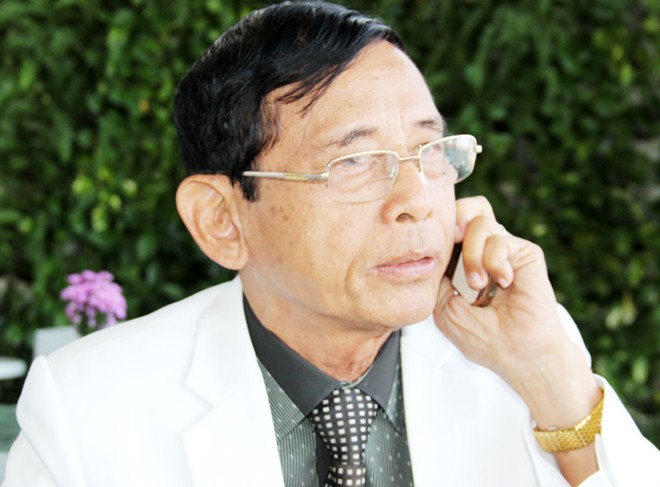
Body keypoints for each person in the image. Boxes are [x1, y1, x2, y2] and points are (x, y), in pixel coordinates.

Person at [3, 2, 659, 486]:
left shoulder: (522, 350)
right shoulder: (88, 410)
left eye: (431, 150)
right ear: (222, 220)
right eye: (355, 162)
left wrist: (553, 381)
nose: (417, 200)